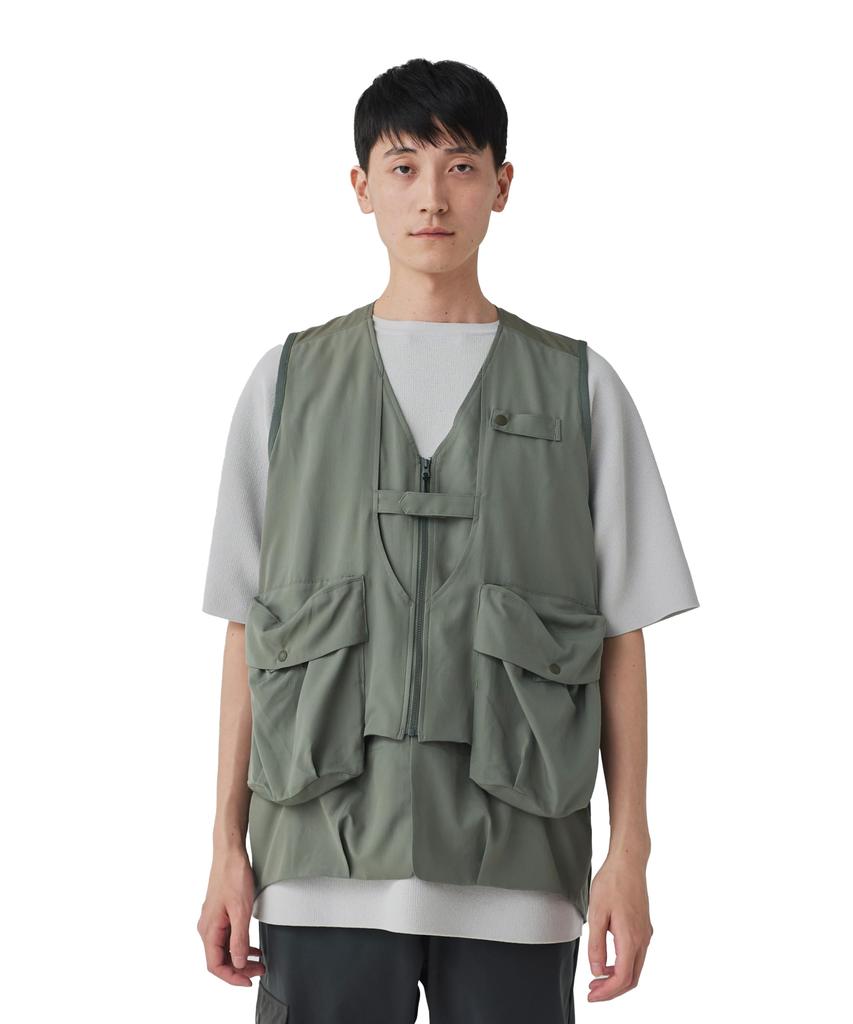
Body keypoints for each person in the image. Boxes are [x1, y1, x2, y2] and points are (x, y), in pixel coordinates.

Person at [197, 57, 699, 1023]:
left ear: (501, 185)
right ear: (361, 187)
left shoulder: (580, 388)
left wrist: (628, 853)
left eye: (461, 166)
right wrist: (225, 846)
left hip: (520, 874)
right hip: (317, 870)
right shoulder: (287, 384)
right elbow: (246, 631)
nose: (432, 196)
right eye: (403, 167)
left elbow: (620, 637)